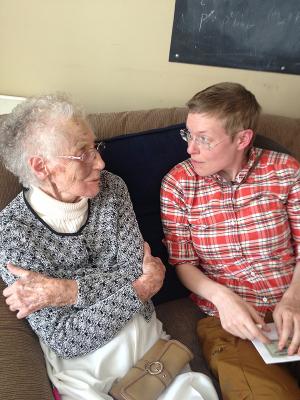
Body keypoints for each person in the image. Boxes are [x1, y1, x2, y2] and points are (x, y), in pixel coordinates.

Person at [0, 94, 218, 400]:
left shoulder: (112, 188)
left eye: (95, 147)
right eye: (83, 153)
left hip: (149, 350)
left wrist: (67, 291)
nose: (101, 162)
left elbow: (134, 268)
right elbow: (66, 338)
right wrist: (138, 291)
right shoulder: (12, 232)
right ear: (41, 167)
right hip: (83, 371)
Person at [160, 82, 300, 399]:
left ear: (242, 139)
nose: (189, 149)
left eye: (204, 140)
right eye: (188, 135)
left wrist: (294, 299)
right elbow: (183, 263)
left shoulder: (285, 171)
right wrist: (223, 299)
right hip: (229, 321)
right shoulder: (178, 184)